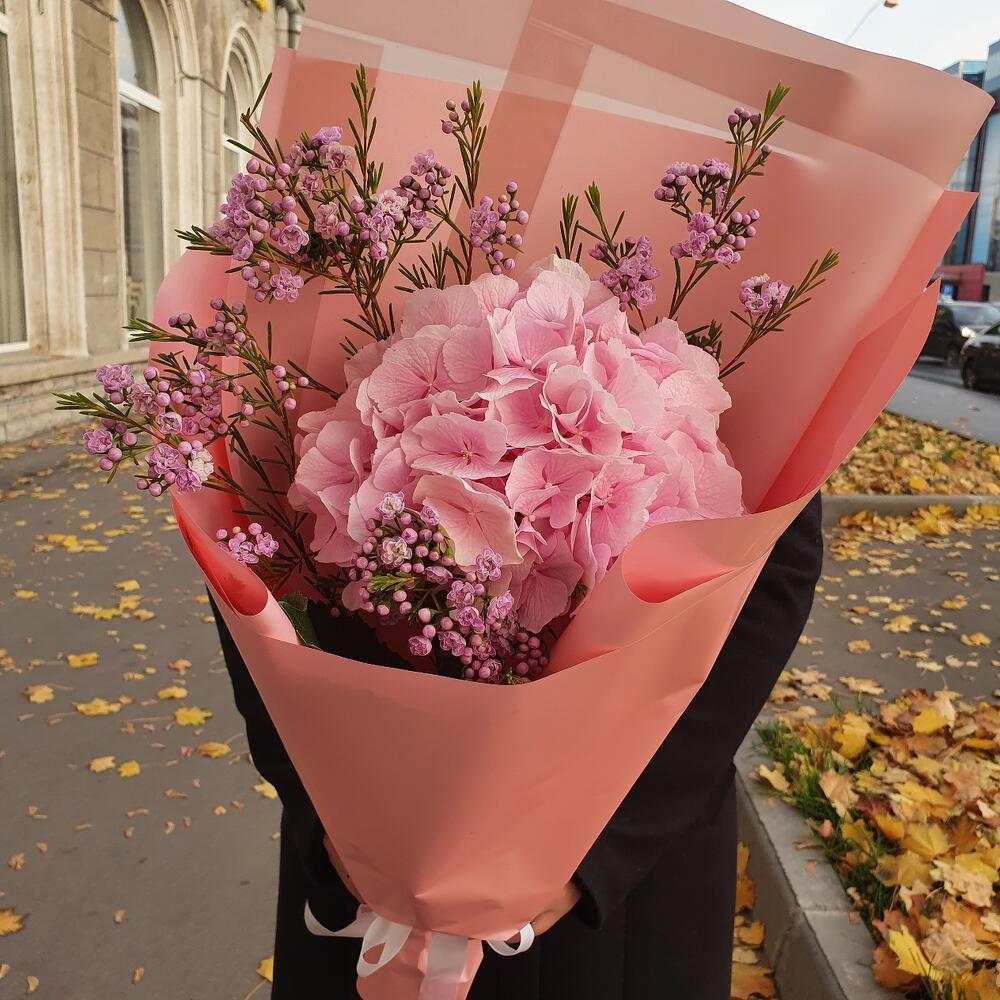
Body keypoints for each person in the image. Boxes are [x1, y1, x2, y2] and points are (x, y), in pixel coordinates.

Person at [213, 493, 823, 999]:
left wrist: (596, 848)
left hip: (613, 876)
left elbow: (772, 571)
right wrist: (325, 804)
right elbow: (243, 556)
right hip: (359, 844)